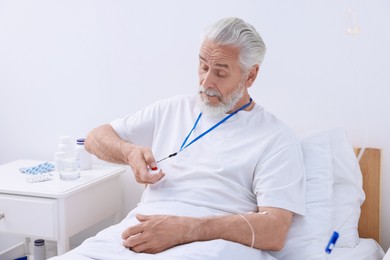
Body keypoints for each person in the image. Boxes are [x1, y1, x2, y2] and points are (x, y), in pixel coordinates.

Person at [50, 17, 305, 260]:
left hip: (212, 245)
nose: (206, 81)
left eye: (220, 72)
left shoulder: (275, 137)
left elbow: (275, 229)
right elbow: (96, 138)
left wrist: (186, 229)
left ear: (250, 75)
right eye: (203, 66)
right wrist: (128, 152)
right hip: (140, 233)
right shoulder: (174, 108)